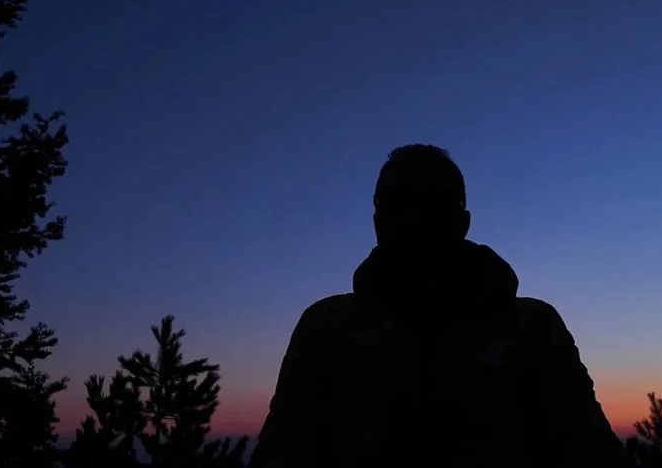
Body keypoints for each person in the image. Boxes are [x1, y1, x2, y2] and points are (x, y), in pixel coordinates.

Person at [249, 144, 626, 467]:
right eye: (396, 202)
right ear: (377, 220)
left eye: (432, 201)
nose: (413, 218)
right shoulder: (326, 327)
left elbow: (588, 449)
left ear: (462, 220)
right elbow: (284, 450)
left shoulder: (533, 327)